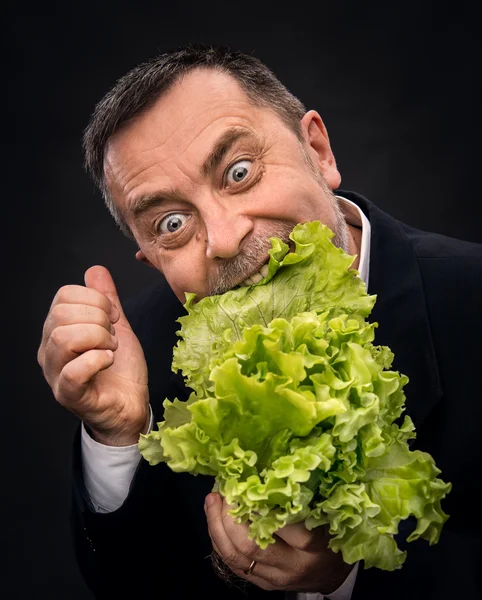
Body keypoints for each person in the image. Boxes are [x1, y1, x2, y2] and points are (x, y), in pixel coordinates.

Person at [37, 45, 482, 599]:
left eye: (239, 172)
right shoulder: (141, 353)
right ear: (149, 256)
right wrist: (117, 436)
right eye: (171, 222)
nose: (225, 240)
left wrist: (353, 570)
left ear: (317, 150)